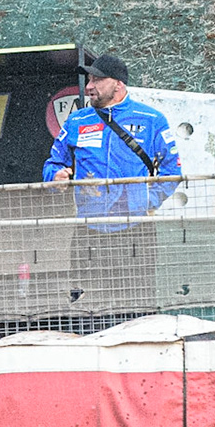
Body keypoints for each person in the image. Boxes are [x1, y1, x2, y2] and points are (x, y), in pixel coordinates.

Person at [43, 52, 183, 324]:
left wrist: (146, 201)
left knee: (138, 307)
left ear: (118, 84)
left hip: (136, 230)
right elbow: (53, 163)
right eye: (89, 80)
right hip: (88, 230)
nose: (89, 86)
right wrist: (54, 177)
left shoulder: (151, 119)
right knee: (84, 308)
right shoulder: (76, 121)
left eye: (97, 80)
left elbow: (172, 171)